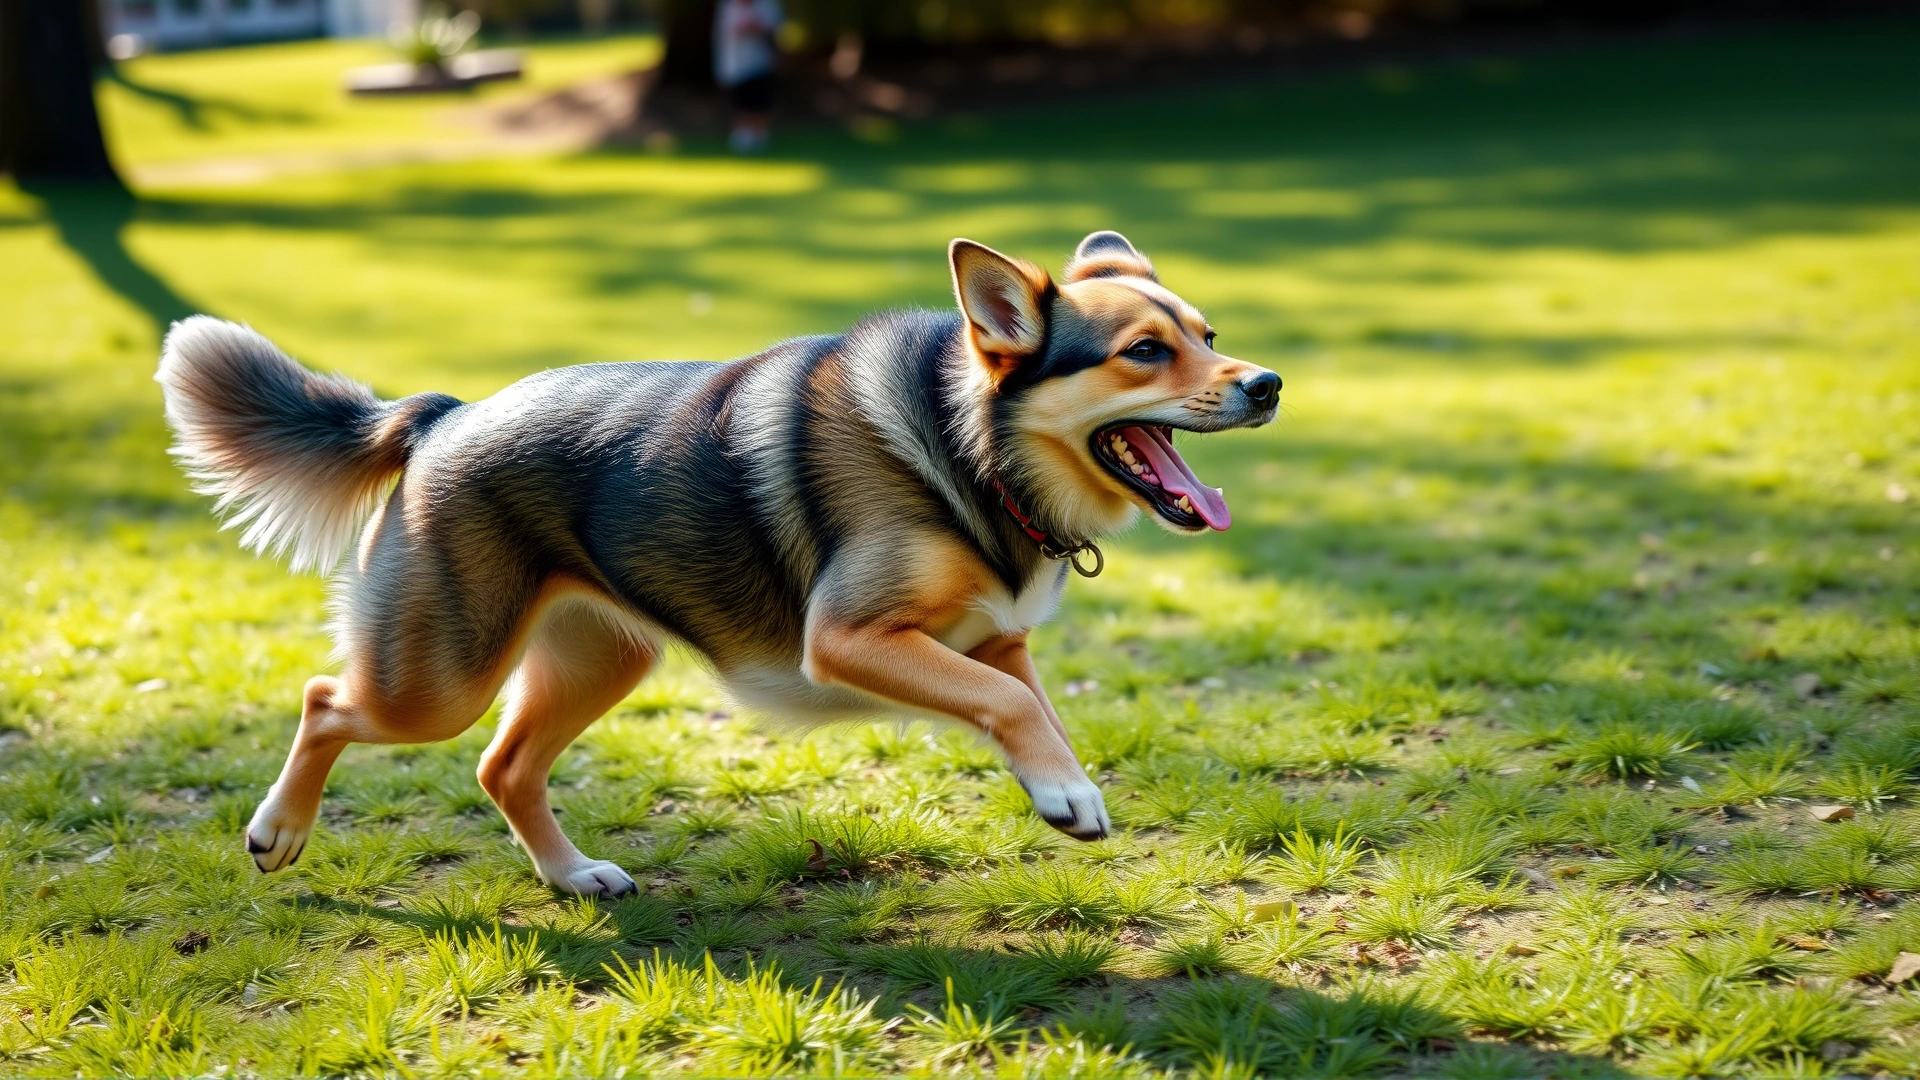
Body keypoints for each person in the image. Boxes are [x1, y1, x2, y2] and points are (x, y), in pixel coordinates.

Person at [714, 0, 783, 153]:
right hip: (737, 66)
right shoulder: (728, 7)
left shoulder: (767, 5)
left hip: (761, 64)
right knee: (741, 102)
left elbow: (775, 29)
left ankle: (760, 137)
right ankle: (743, 138)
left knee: (761, 102)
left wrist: (758, 28)